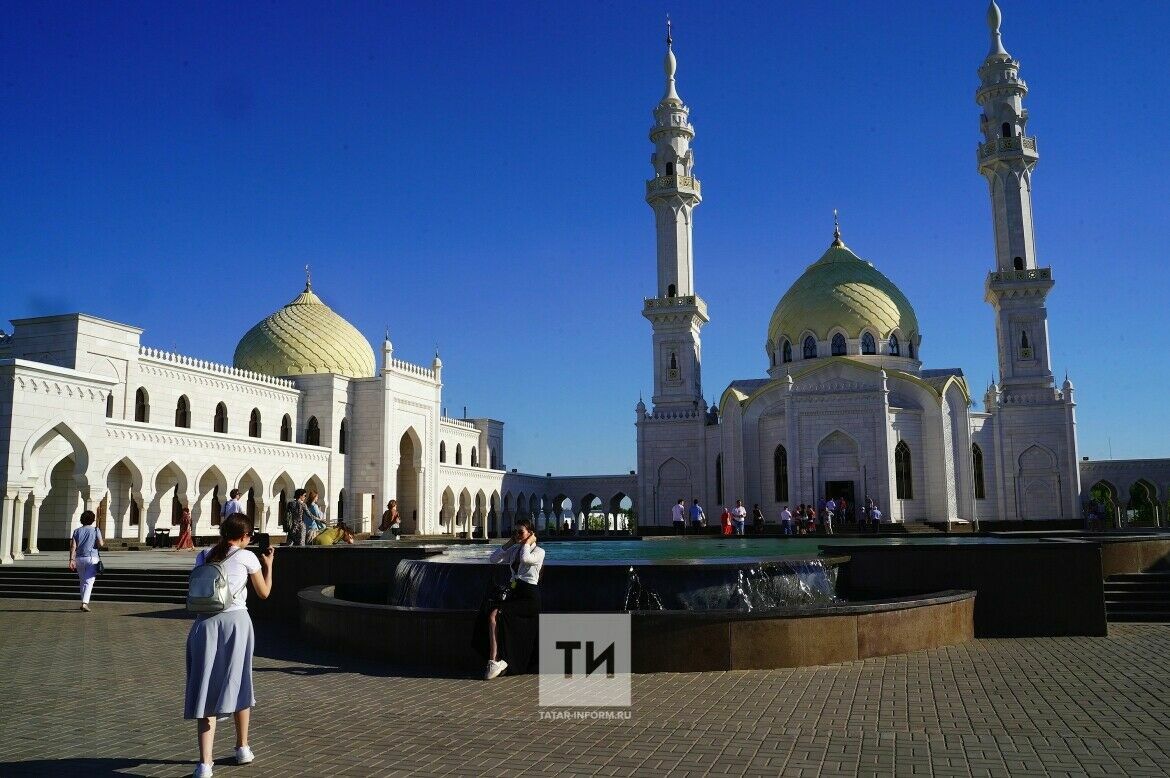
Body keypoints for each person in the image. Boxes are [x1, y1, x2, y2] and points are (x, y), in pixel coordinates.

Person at [184, 513, 274, 778]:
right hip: (236, 623)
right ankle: (242, 747)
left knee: (204, 686)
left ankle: (204, 764)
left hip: (204, 625)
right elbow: (264, 593)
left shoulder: (203, 555)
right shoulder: (247, 557)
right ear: (245, 536)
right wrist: (268, 565)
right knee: (239, 681)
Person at [475, 518, 544, 679]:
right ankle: (495, 660)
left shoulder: (539, 552)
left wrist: (528, 543)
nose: (517, 535)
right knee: (490, 613)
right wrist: (510, 542)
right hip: (515, 594)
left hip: (529, 598)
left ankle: (495, 660)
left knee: (496, 614)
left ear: (531, 534)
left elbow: (526, 559)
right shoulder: (514, 551)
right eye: (515, 532)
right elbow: (493, 559)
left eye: (521, 532)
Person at [68, 510, 103, 612]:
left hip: (79, 558)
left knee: (83, 581)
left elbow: (73, 546)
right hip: (92, 558)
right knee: (89, 581)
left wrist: (71, 559)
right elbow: (101, 543)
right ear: (92, 520)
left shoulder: (77, 531)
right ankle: (84, 603)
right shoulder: (96, 530)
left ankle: (83, 601)